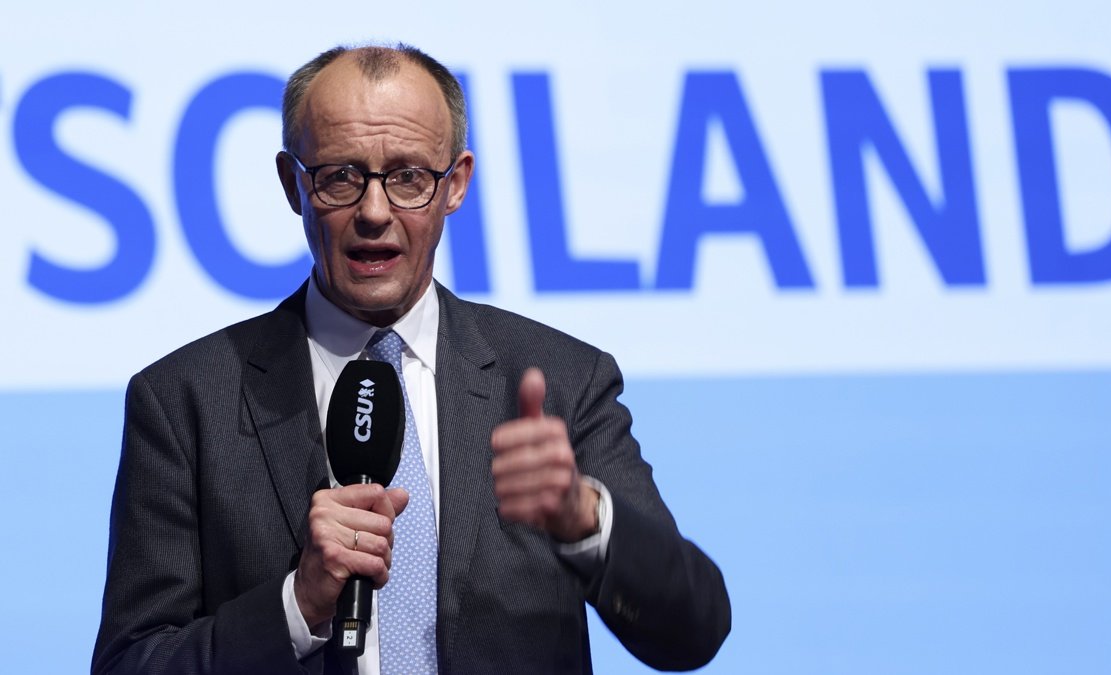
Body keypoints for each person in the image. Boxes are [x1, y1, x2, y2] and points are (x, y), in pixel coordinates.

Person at [93, 43, 730, 675]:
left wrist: (584, 522)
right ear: (293, 184)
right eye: (341, 176)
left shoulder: (562, 380)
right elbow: (129, 664)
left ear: (455, 185)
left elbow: (694, 630)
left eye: (408, 178)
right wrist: (296, 605)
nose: (374, 212)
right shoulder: (184, 399)